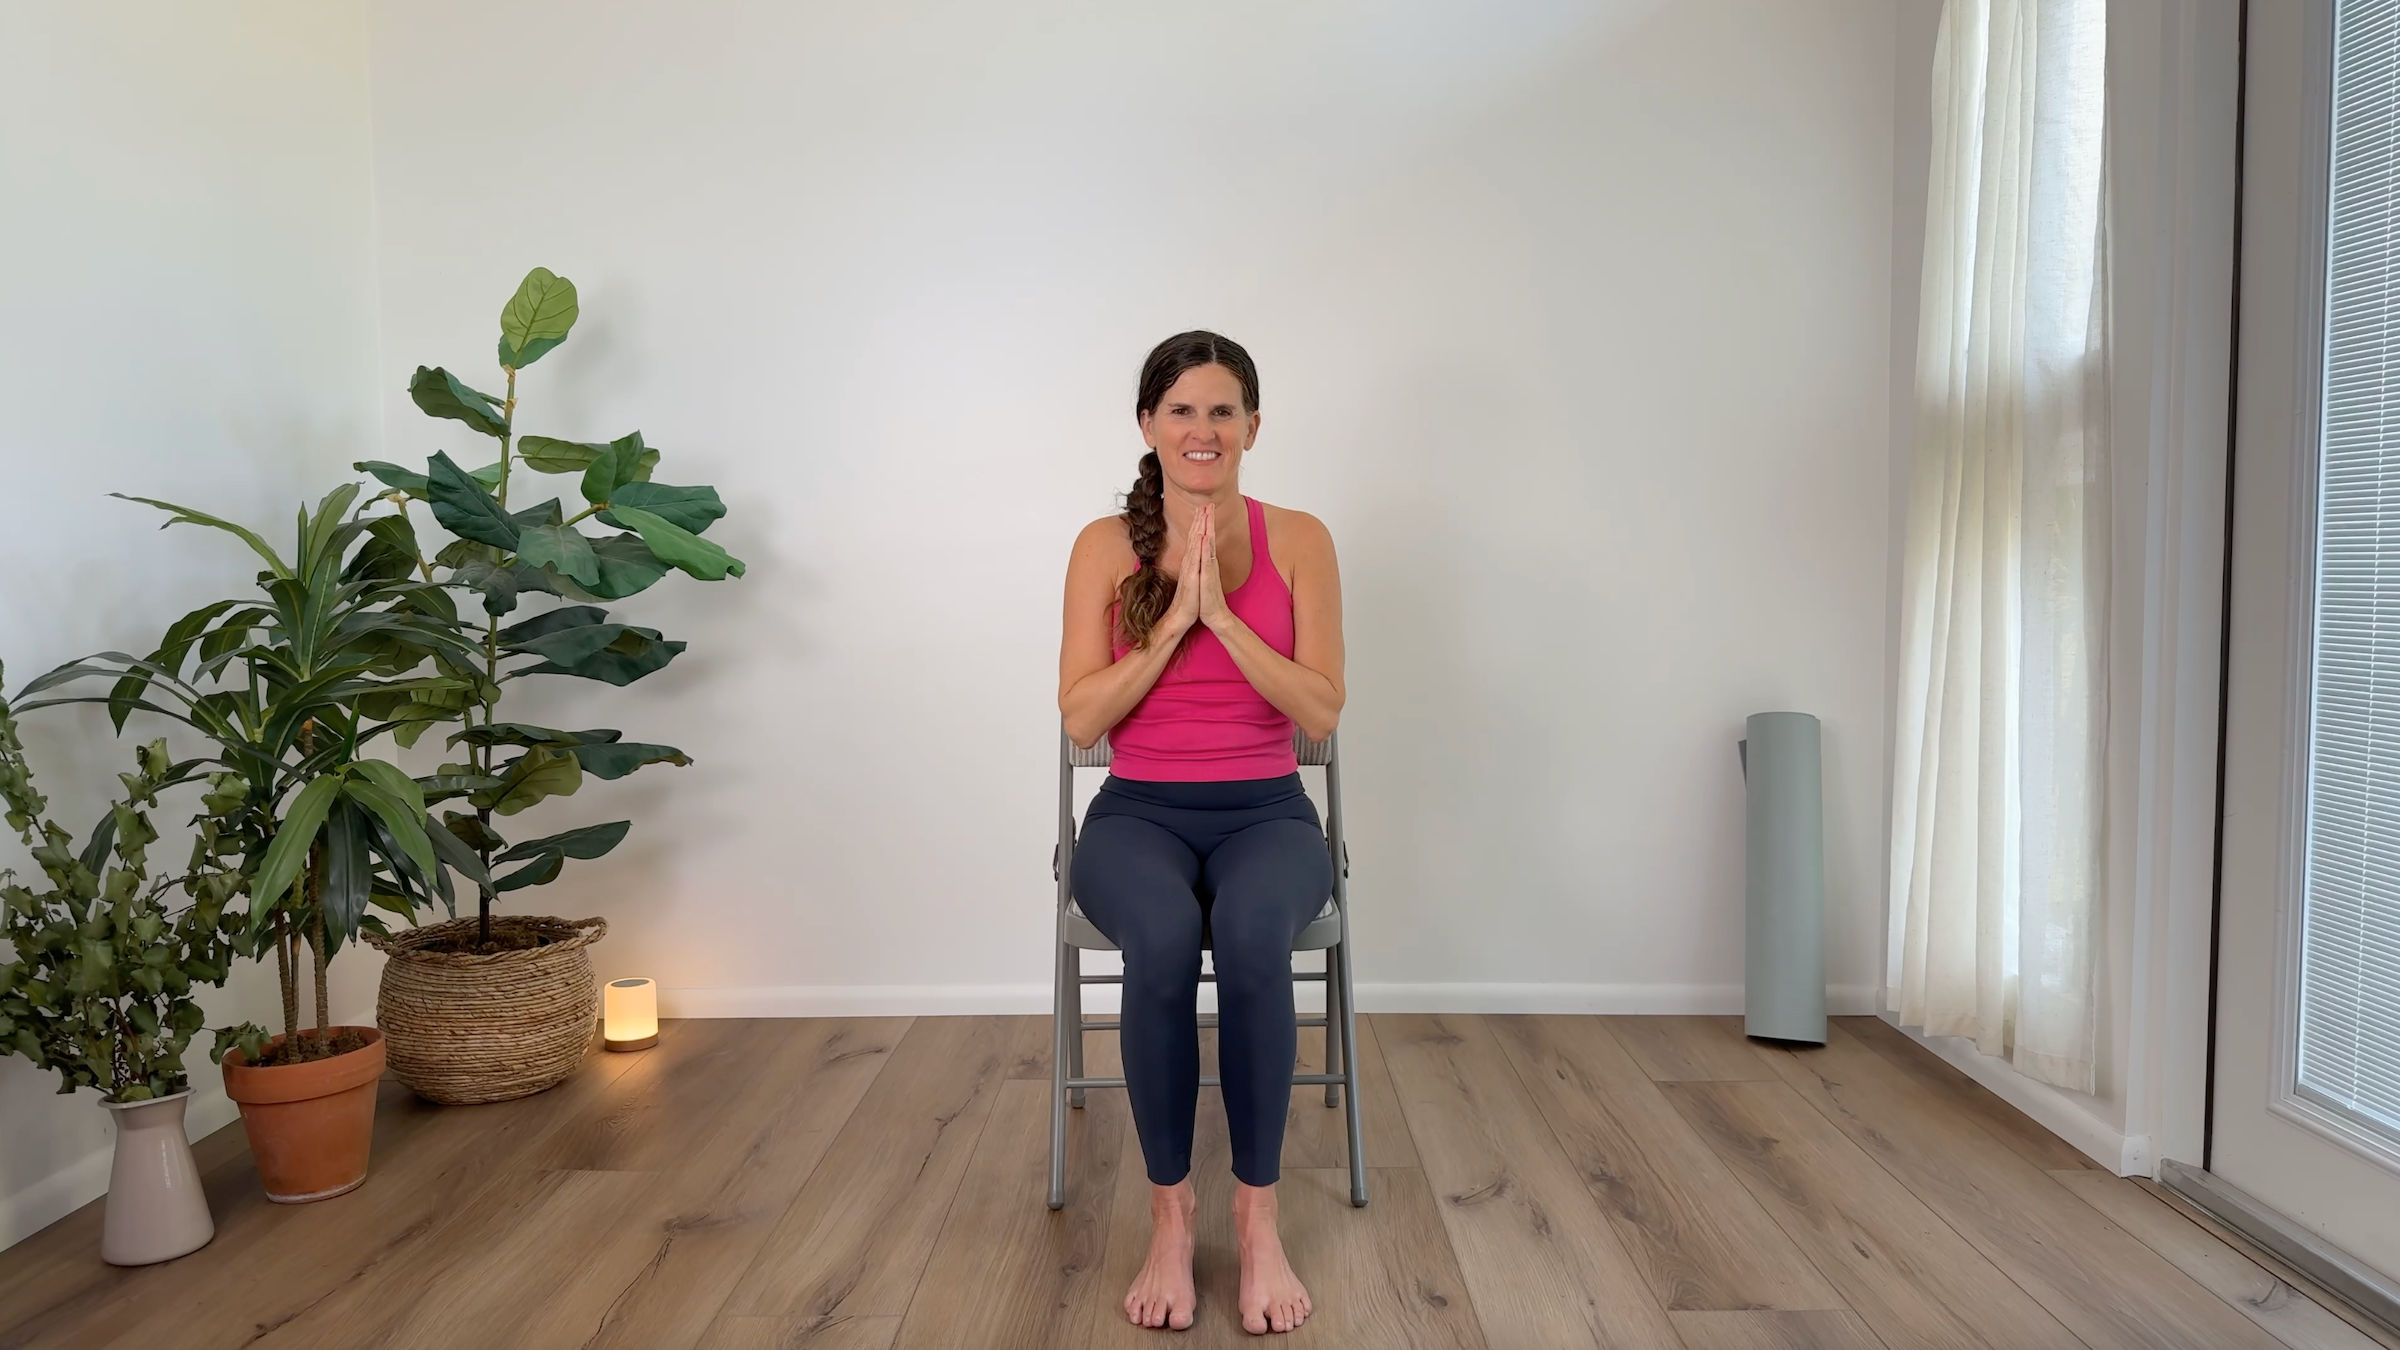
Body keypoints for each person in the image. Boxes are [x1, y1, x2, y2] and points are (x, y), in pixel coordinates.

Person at [1058, 330, 1346, 1336]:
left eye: (1223, 410)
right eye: (1181, 409)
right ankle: (1170, 1217)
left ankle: (1258, 1222)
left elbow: (1322, 708)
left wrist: (1223, 617)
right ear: (1149, 424)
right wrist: (1173, 620)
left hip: (1268, 812)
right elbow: (1083, 720)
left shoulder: (1300, 539)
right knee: (1166, 937)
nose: (1203, 429)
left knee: (1257, 938)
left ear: (1253, 427)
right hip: (1137, 814)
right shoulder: (1104, 546)